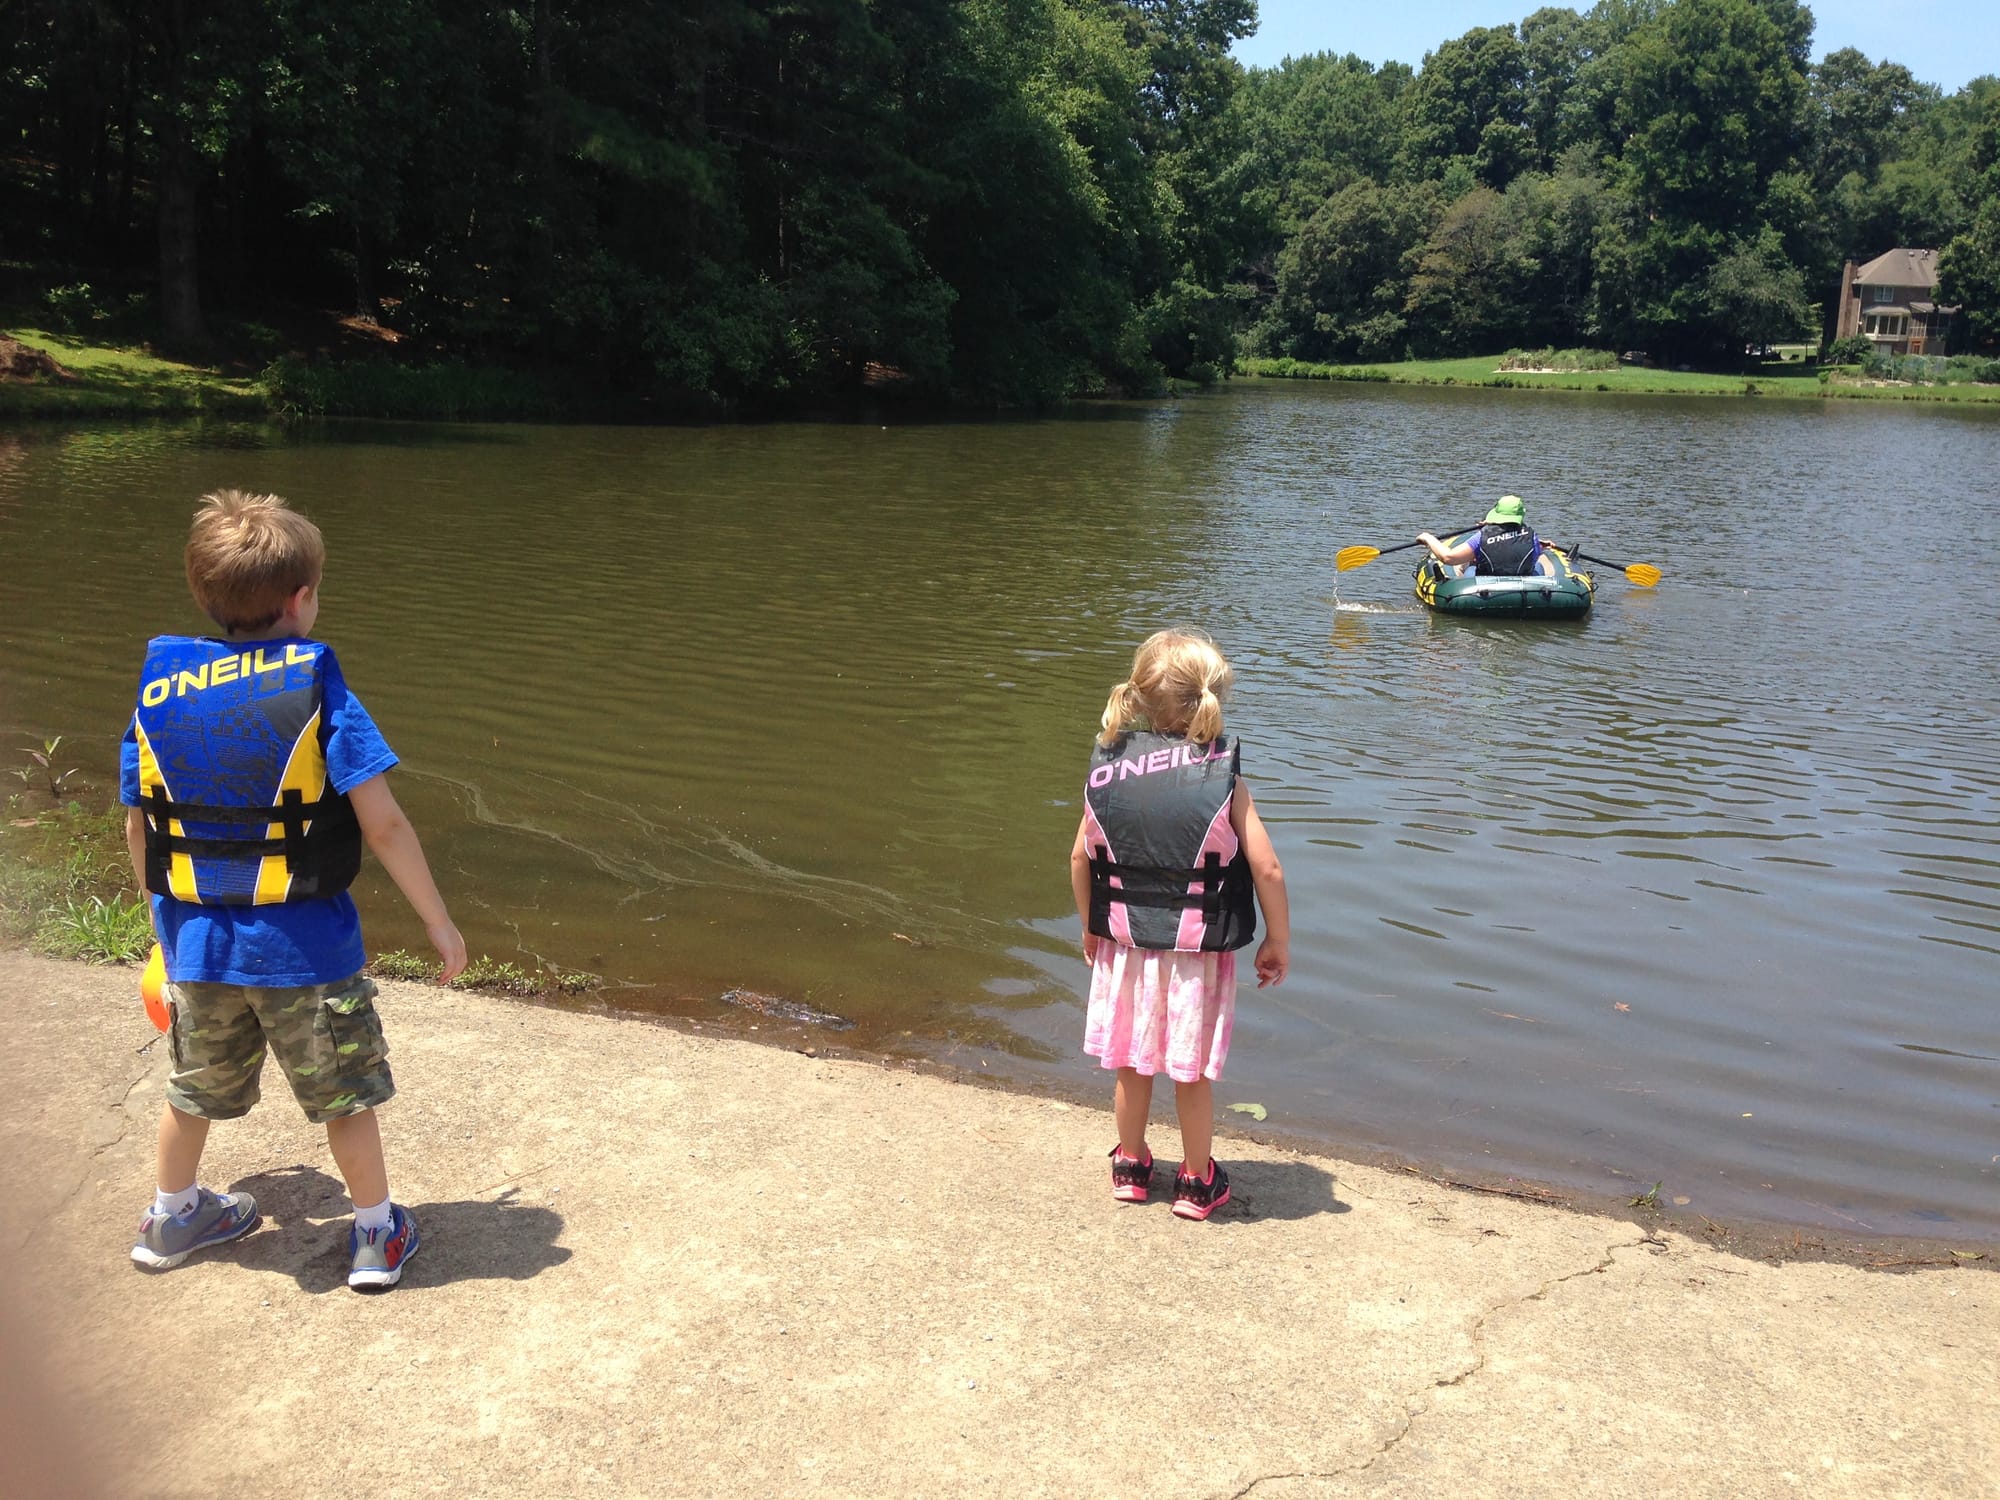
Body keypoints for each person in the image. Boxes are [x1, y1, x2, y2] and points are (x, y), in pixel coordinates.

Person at [122, 490, 467, 1290]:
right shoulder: (320, 689)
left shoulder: (161, 691)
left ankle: (172, 1218)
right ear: (302, 598)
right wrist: (441, 926)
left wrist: (163, 932)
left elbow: (142, 829)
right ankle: (376, 1237)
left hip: (198, 946)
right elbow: (382, 825)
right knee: (346, 1099)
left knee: (191, 1094)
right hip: (306, 950)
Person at [1068, 630, 1290, 1221]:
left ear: (1139, 698)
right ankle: (1195, 1181)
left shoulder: (1110, 773)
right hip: (1196, 955)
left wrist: (1093, 925)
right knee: (1189, 1073)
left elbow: (1080, 858)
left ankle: (1132, 1166)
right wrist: (1277, 939)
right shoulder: (1226, 781)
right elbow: (1266, 867)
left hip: (1127, 944)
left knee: (1132, 1063)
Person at [1417, 494, 1554, 578]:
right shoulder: (1532, 537)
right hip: (1525, 586)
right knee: (1538, 567)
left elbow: (1448, 558)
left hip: (1486, 587)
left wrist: (1428, 538)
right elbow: (1515, 548)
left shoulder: (1481, 537)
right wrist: (1541, 546)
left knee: (1470, 568)